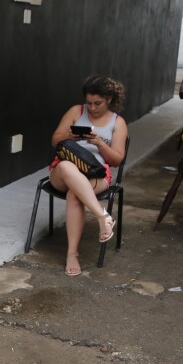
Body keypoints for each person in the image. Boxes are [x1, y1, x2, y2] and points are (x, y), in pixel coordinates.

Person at [50, 76, 128, 277]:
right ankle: (103, 216)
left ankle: (72, 254)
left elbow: (117, 160)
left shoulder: (118, 123)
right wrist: (70, 136)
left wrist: (100, 143)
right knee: (67, 166)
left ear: (109, 99)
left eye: (98, 103)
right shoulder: (76, 111)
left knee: (76, 194)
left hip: (96, 172)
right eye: (89, 102)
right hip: (63, 170)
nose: (92, 108)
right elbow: (55, 141)